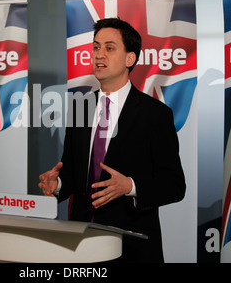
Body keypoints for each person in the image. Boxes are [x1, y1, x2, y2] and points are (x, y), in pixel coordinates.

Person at [39, 18, 186, 262]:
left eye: (109, 48)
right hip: (81, 246)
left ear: (130, 59)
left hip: (130, 248)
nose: (99, 55)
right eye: (96, 47)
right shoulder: (80, 107)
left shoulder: (155, 114)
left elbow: (174, 185)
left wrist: (130, 186)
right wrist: (58, 185)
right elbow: (75, 174)